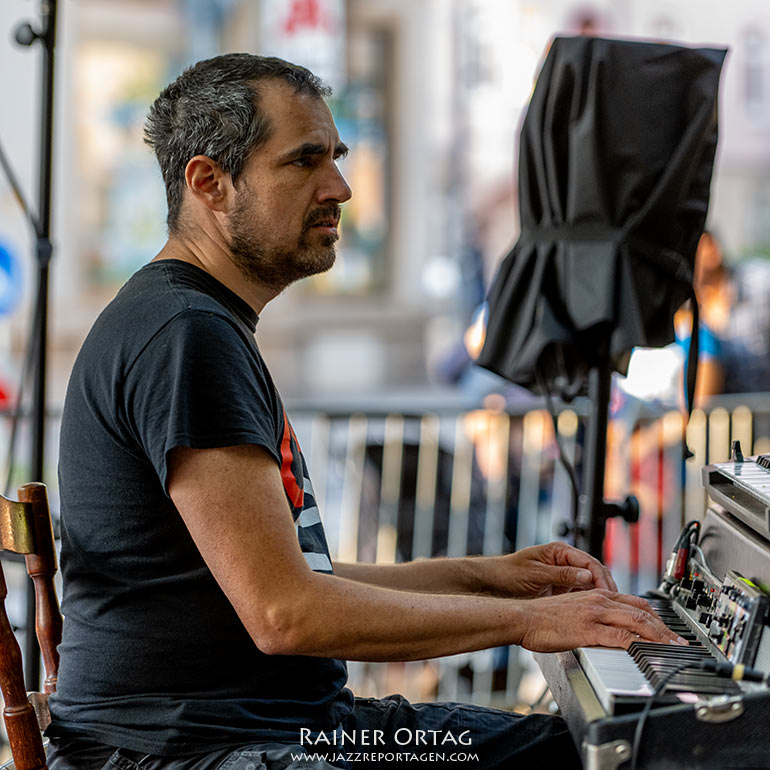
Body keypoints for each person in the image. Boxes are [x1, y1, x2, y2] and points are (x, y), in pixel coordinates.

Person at [46, 53, 686, 770]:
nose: (342, 187)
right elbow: (286, 615)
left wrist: (492, 576)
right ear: (209, 183)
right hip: (194, 750)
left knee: (582, 749)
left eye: (338, 157)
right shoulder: (184, 337)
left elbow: (300, 581)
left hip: (283, 727)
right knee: (611, 757)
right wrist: (531, 620)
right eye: (305, 161)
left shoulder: (190, 323)